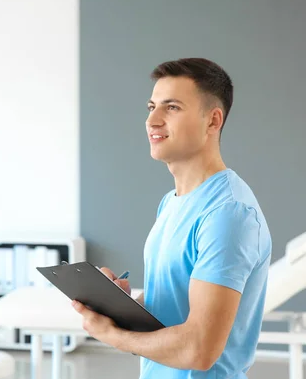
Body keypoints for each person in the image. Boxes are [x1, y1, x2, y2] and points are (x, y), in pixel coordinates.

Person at [72, 58, 272, 378]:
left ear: (213, 120)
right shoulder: (172, 202)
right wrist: (122, 306)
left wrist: (113, 337)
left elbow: (200, 349)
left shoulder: (228, 214)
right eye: (151, 107)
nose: (153, 120)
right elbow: (174, 306)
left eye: (172, 107)